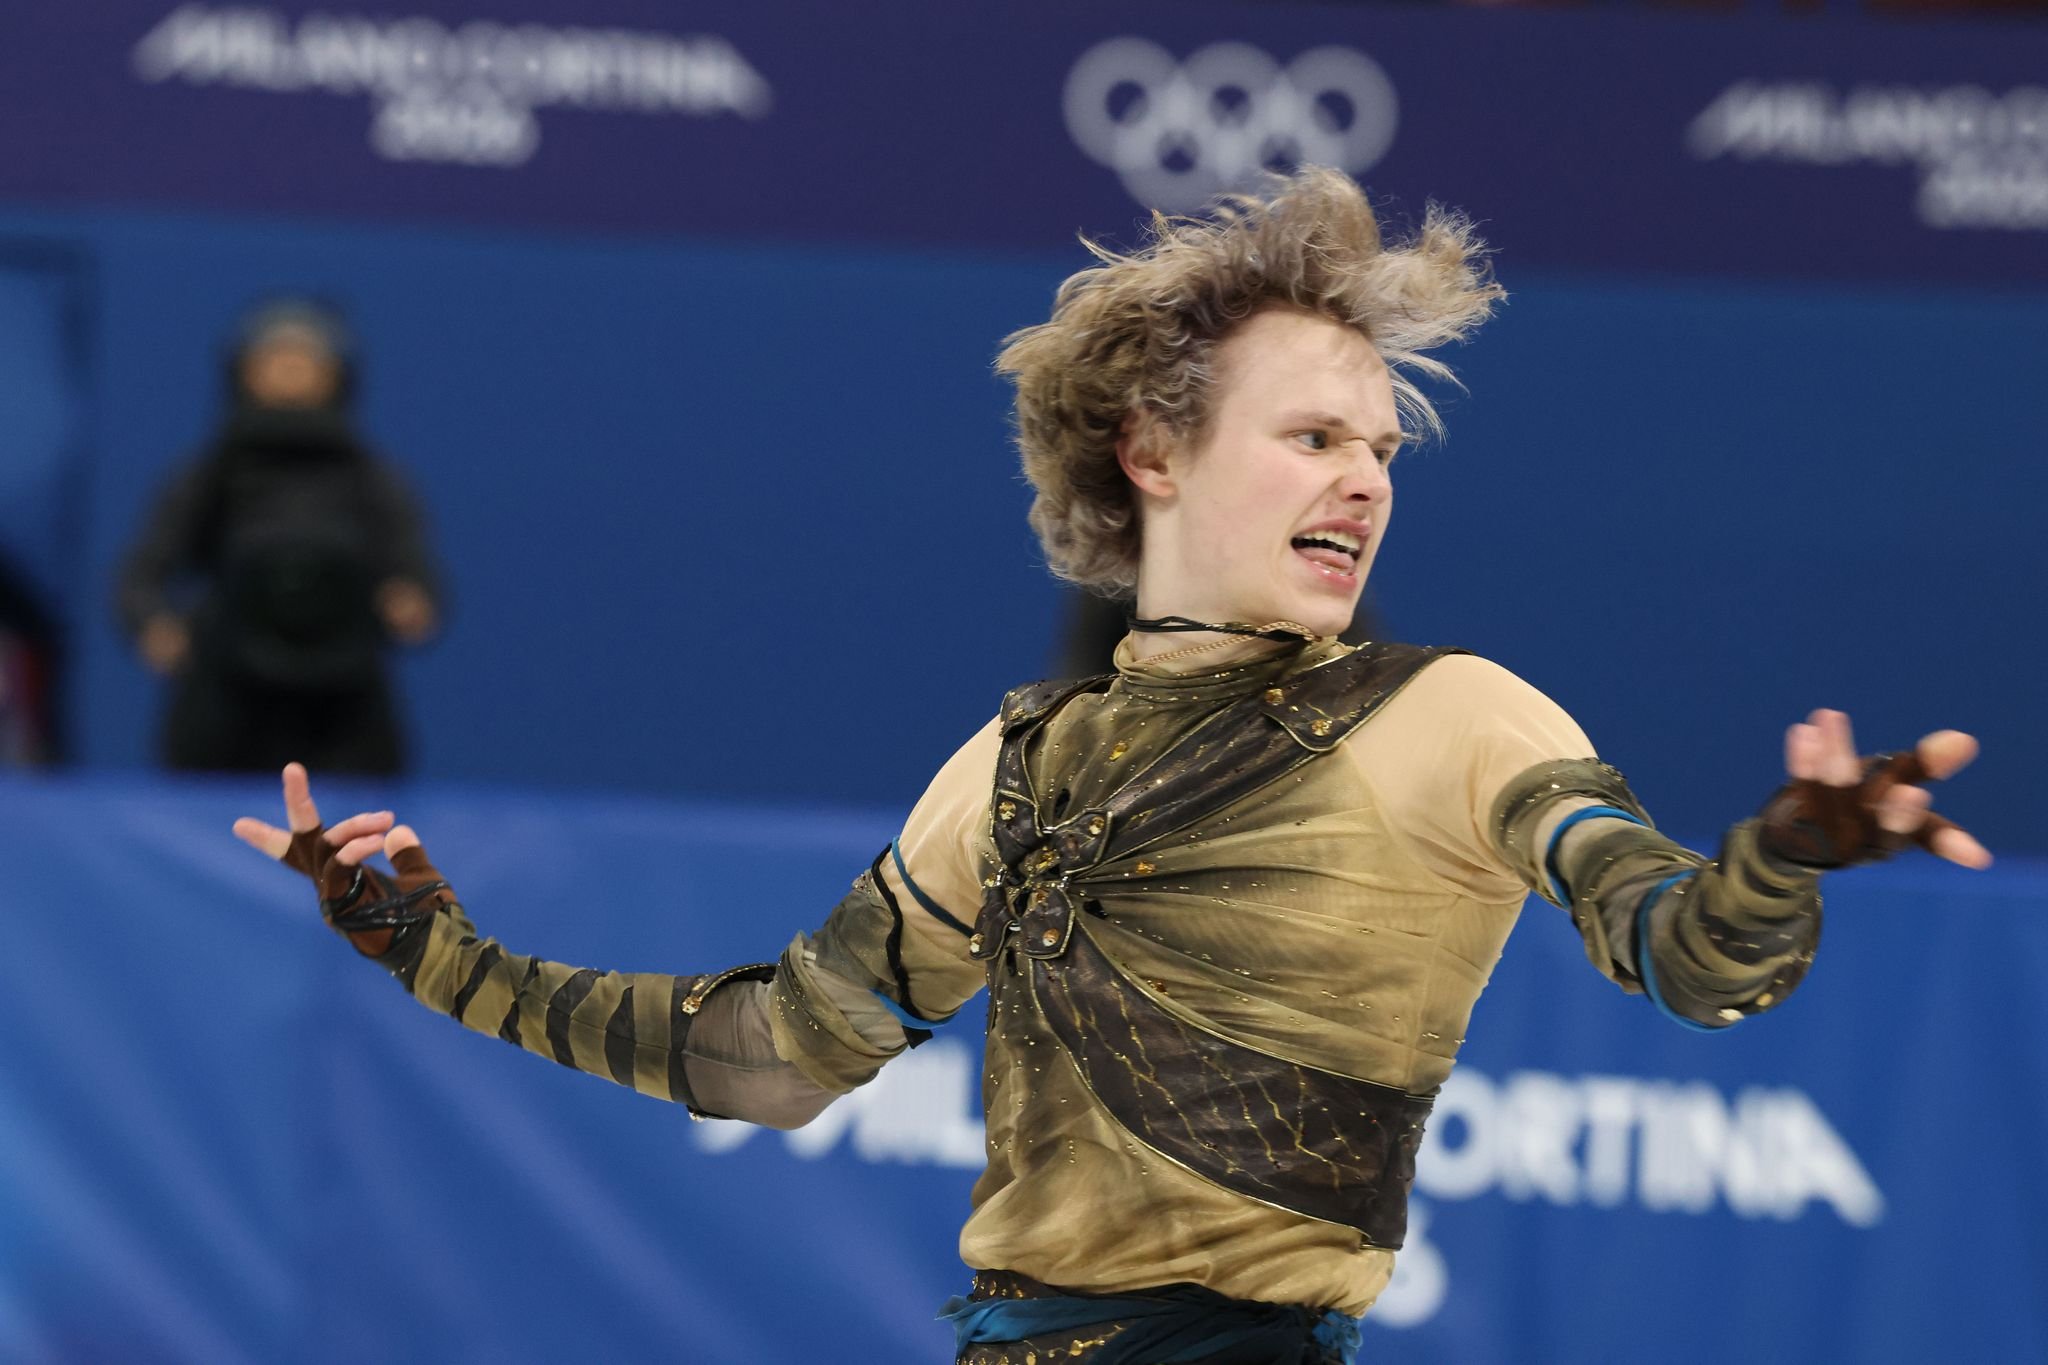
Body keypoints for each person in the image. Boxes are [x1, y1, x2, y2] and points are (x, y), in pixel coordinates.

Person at [233, 170, 1988, 1365]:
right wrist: (433, 954)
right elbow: (770, 1060)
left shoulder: (1455, 716)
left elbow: (1685, 956)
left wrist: (1781, 854)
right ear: (1153, 450)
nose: (1365, 479)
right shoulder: (1015, 765)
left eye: (1382, 448)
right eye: (1314, 434)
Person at [118, 298, 442, 776]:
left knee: (354, 811)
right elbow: (145, 569)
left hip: (345, 690)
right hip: (229, 685)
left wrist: (414, 600)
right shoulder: (210, 476)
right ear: (244, 373)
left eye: (306, 359)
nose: (290, 369)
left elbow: (412, 565)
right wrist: (151, 622)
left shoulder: (372, 479)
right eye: (274, 357)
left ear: (335, 376)